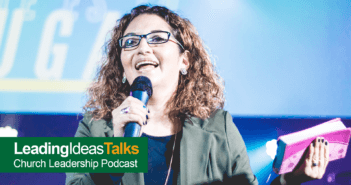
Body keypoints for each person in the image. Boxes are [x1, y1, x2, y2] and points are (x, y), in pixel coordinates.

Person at [66, 5, 330, 185]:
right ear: (121, 65)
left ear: (185, 61)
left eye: (157, 38)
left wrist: (292, 179)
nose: (143, 47)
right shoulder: (95, 128)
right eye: (131, 42)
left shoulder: (219, 128)